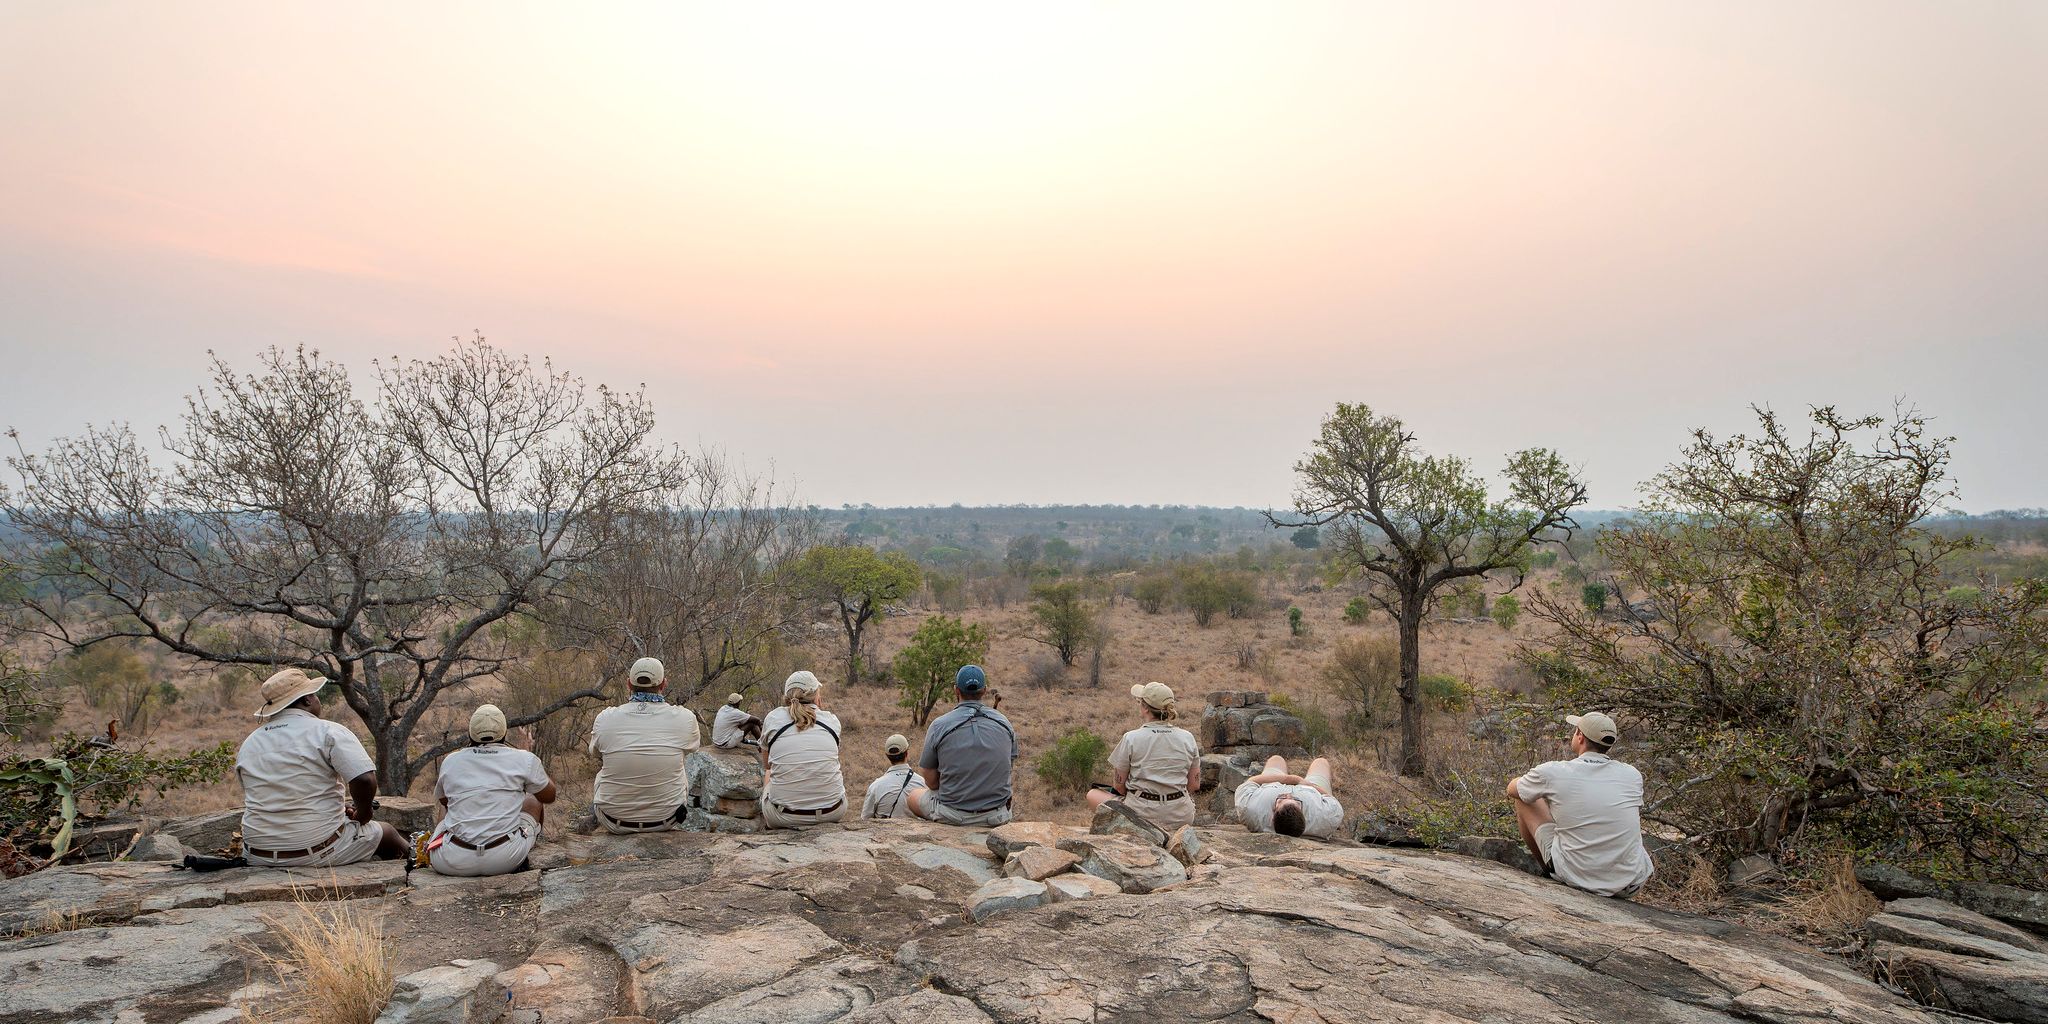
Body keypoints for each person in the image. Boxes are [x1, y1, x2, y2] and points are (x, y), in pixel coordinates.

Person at [235, 668, 407, 866]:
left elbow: (273, 792)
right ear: (308, 700)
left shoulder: (250, 743)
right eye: (314, 696)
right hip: (314, 850)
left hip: (257, 854)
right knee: (386, 832)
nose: (317, 700)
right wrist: (363, 813)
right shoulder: (327, 731)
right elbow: (364, 779)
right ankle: (423, 867)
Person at [1506, 711, 1654, 898]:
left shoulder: (1554, 771)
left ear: (1580, 736)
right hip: (1630, 883)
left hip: (1577, 878)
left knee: (1525, 798)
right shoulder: (1632, 775)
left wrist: (1531, 782)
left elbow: (1512, 790)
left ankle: (1549, 870)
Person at [428, 705, 555, 876]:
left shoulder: (451, 761)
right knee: (533, 798)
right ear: (503, 732)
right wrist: (532, 767)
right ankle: (525, 848)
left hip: (452, 860)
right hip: (504, 858)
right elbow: (549, 796)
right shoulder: (523, 758)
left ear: (471, 733)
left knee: (447, 804)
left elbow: (445, 803)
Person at [588, 657, 702, 833]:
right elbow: (692, 748)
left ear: (629, 684)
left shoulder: (605, 718)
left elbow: (595, 753)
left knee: (603, 772)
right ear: (663, 684)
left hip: (612, 820)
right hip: (667, 819)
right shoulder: (684, 718)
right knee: (679, 765)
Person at [907, 665, 1018, 827]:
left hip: (952, 814)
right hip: (997, 815)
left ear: (956, 690)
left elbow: (930, 782)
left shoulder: (939, 725)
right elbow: (1008, 767)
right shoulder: (1004, 723)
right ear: (985, 690)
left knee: (912, 796)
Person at [1089, 682, 1201, 831]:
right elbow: (1194, 785)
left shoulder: (1131, 738)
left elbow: (1118, 786)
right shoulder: (1187, 737)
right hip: (1180, 815)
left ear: (1145, 708)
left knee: (1092, 794)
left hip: (1141, 814)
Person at [758, 671, 846, 828]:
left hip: (783, 817)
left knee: (769, 773)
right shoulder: (832, 721)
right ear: (816, 696)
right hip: (833, 812)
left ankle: (771, 830)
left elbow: (767, 765)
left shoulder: (773, 718)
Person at [1235, 755, 1344, 839]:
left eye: (1280, 800)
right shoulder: (1327, 817)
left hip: (1272, 783)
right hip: (1311, 789)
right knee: (1321, 762)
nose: (1289, 796)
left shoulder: (1249, 809)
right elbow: (1330, 798)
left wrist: (1289, 779)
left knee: (1276, 759)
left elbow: (1250, 781)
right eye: (1296, 801)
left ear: (1272, 818)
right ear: (1303, 815)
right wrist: (1308, 784)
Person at [860, 733, 926, 819]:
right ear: (907, 753)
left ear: (887, 756)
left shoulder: (876, 786)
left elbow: (865, 819)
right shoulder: (923, 784)